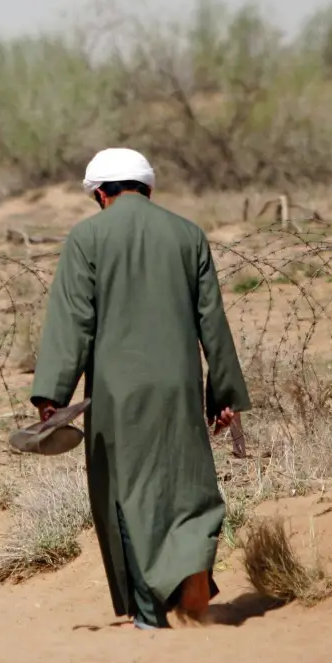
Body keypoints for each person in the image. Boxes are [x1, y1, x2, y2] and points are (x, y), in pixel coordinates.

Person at [30, 147, 251, 630]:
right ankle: (191, 583)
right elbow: (211, 321)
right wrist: (225, 395)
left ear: (101, 195)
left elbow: (74, 322)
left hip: (116, 391)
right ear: (148, 189)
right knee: (187, 489)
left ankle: (150, 613)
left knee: (127, 495)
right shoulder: (187, 234)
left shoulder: (87, 237)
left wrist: (53, 393)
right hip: (179, 385)